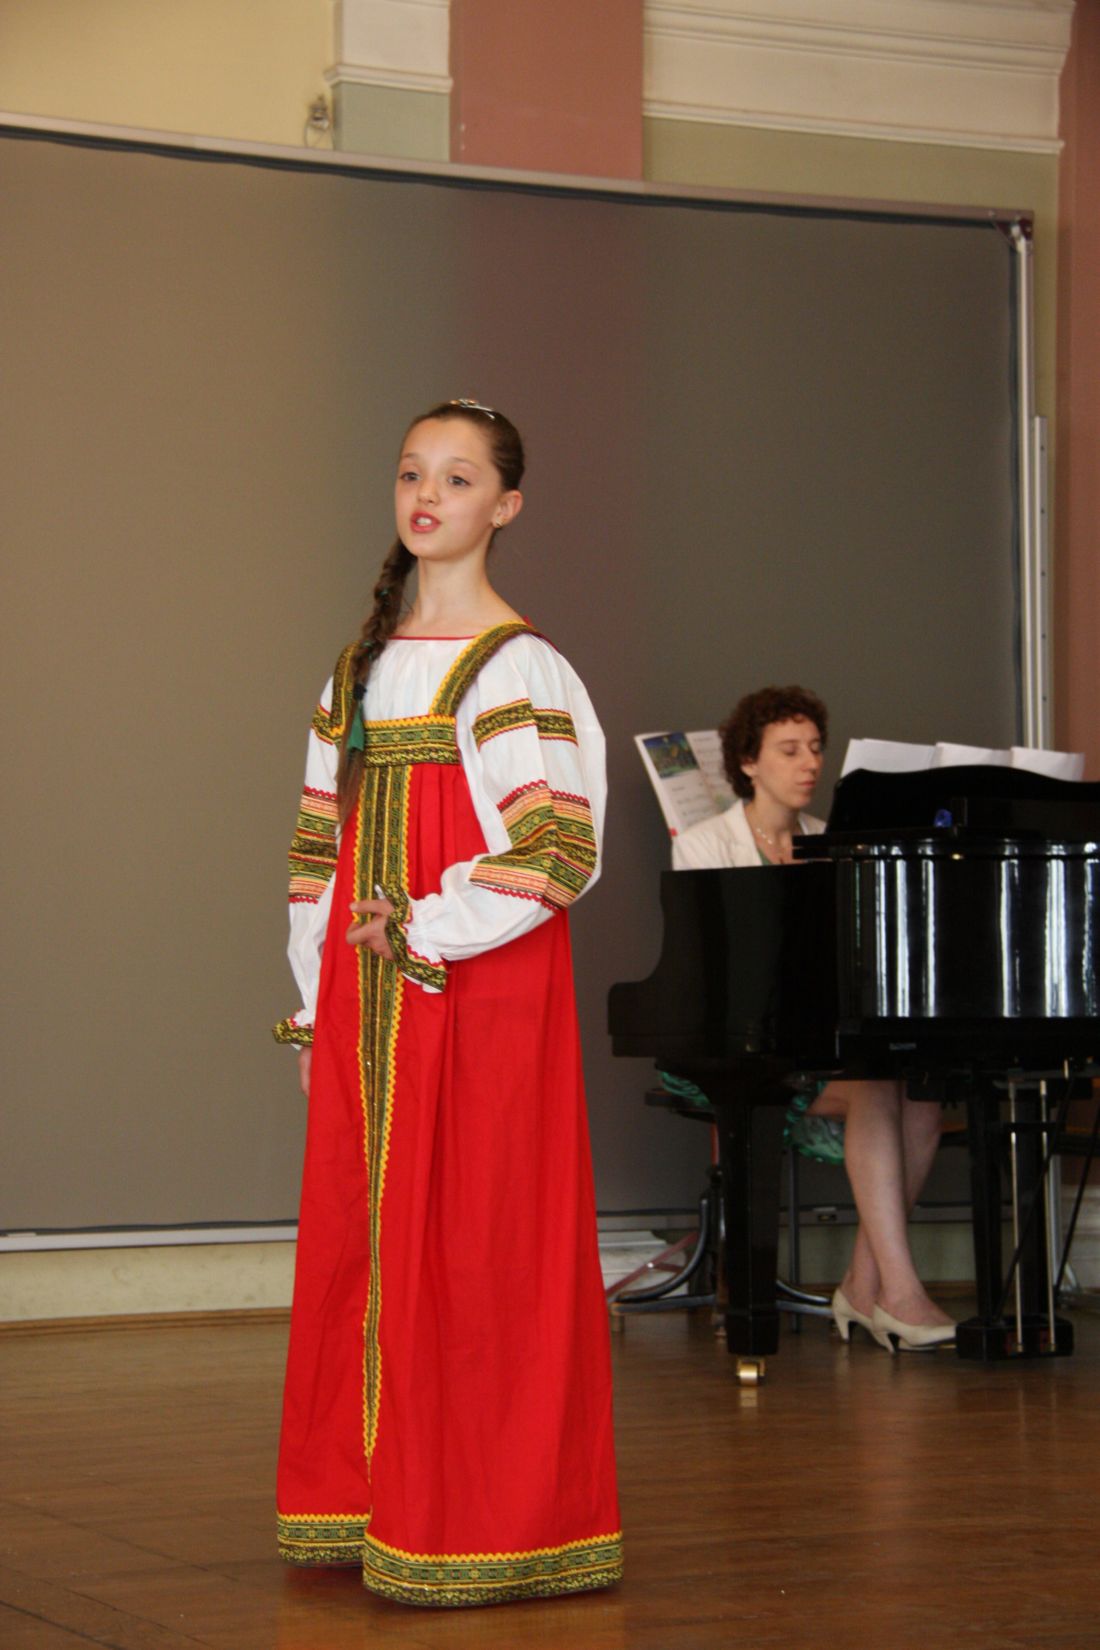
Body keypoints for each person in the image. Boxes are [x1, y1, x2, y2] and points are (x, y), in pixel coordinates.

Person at [272, 399, 622, 1606]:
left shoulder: (517, 666)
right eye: (412, 473)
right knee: (366, 1244)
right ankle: (373, 1499)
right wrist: (317, 994)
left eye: (458, 479)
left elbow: (556, 849)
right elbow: (318, 847)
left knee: (473, 1245)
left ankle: (487, 1519)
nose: (427, 496)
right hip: (368, 999)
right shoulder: (357, 668)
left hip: (477, 1002)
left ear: (505, 506)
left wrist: (425, 923)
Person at [674, 687, 955, 1354]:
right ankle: (897, 1292)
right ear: (748, 761)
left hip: (820, 1043)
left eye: (816, 749)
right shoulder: (706, 845)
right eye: (790, 750)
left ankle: (863, 1284)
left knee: (923, 1101)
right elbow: (714, 972)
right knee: (876, 1090)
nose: (810, 764)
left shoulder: (832, 840)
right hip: (737, 1046)